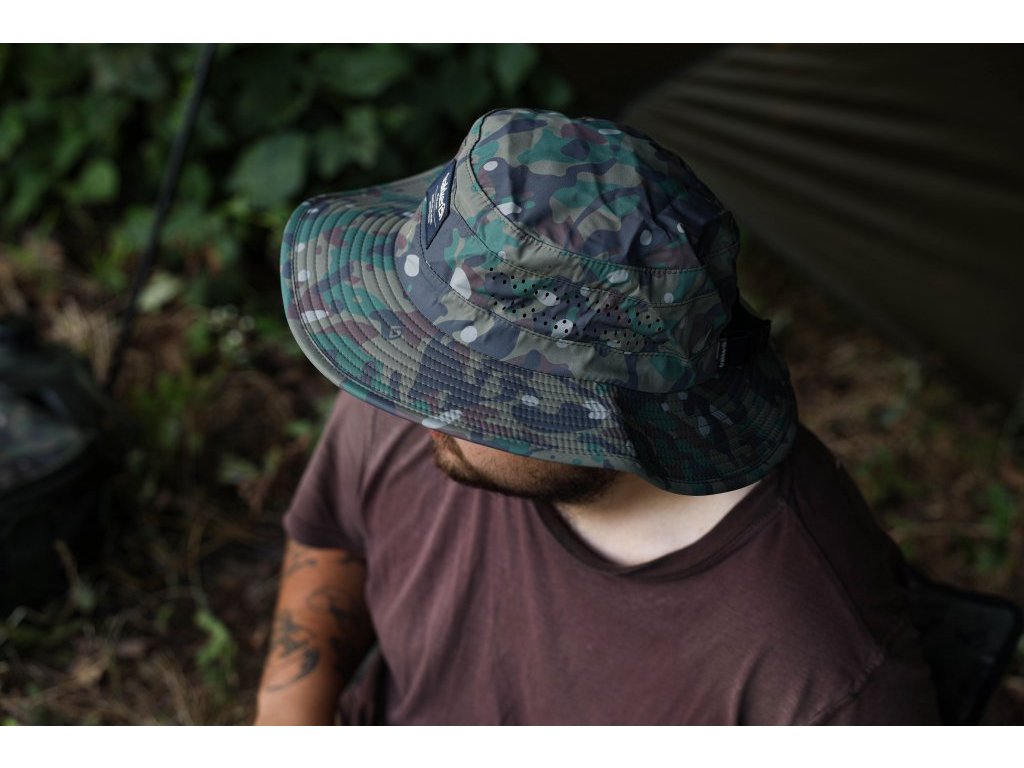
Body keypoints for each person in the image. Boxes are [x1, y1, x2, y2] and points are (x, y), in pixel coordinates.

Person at [254, 107, 941, 725]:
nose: (411, 393)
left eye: (464, 384)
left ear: (599, 419)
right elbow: (334, 536)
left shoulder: (817, 675)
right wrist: (285, 716)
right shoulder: (410, 375)